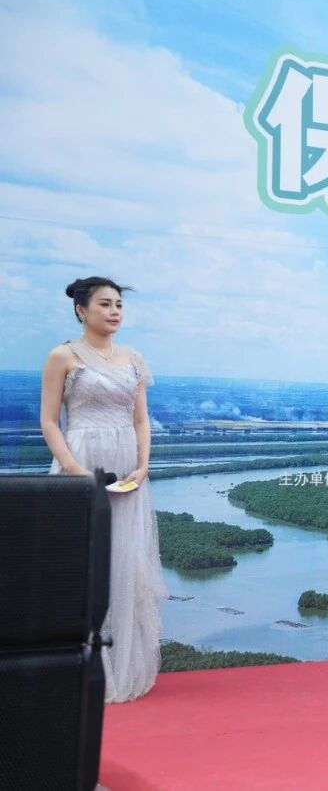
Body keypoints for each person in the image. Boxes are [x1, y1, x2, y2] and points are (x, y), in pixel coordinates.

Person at [39, 277, 165, 703]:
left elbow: (140, 419)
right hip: (80, 462)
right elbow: (49, 421)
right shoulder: (63, 356)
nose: (114, 312)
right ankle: (73, 672)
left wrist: (143, 466)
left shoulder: (133, 358)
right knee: (80, 563)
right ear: (81, 310)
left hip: (127, 468)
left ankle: (121, 669)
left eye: (119, 305)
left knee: (125, 561)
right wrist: (75, 471)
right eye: (105, 304)